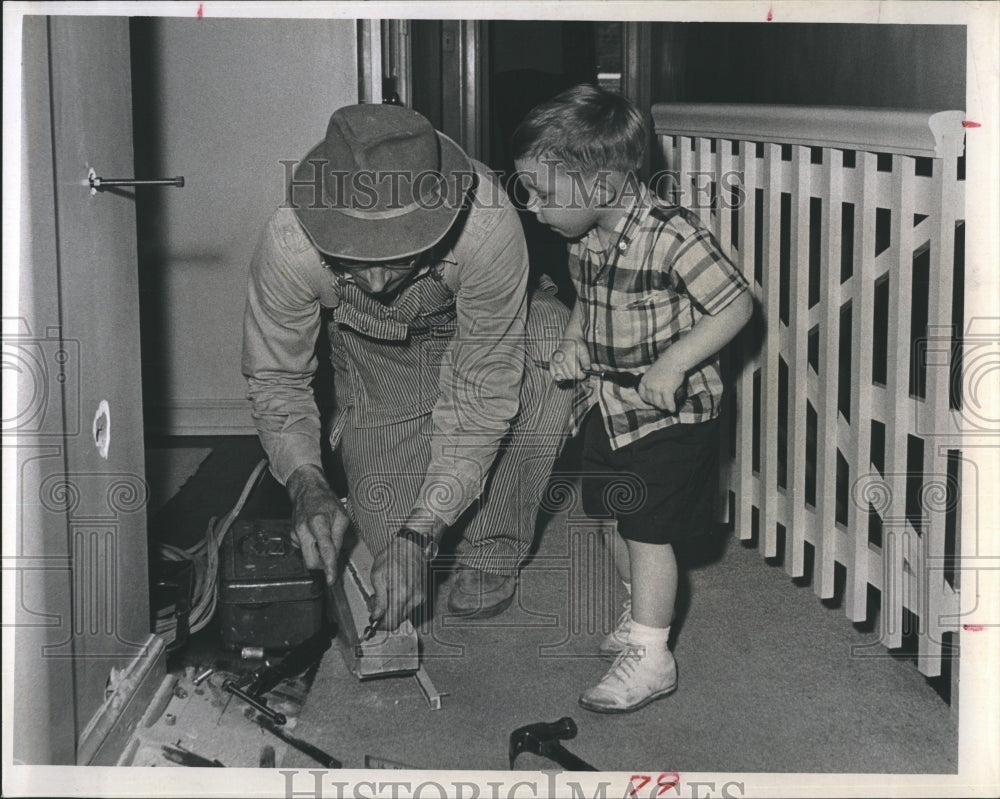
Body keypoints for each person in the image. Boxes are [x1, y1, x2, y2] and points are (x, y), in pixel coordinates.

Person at [242, 103, 572, 631]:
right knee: (383, 541)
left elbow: (481, 391)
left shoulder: (486, 224)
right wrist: (307, 483)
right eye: (351, 258)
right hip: (371, 359)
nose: (375, 284)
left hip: (482, 342)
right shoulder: (288, 244)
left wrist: (421, 532)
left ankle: (491, 548)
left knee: (551, 340)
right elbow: (278, 379)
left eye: (398, 256)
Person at [512, 85, 752, 713]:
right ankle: (643, 610)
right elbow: (588, 306)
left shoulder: (673, 236)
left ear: (600, 184)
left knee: (647, 531)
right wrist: (571, 342)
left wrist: (675, 362)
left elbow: (736, 304)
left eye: (541, 192)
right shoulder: (583, 237)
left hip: (671, 414)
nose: (531, 207)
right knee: (612, 522)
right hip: (610, 408)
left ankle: (653, 655)